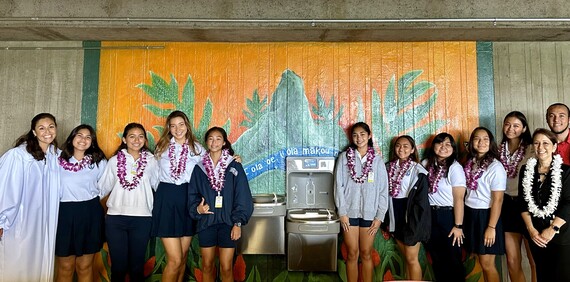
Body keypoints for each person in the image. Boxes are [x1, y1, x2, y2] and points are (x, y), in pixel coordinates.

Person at [0, 113, 61, 282]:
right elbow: (5, 189)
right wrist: (1, 221)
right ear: (34, 132)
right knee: (18, 265)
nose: (47, 131)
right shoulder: (19, 156)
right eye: (41, 128)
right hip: (20, 223)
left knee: (40, 266)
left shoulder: (56, 156)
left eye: (51, 127)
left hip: (46, 223)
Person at [188, 127, 253, 282]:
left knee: (226, 266)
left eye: (218, 138)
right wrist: (197, 208)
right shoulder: (199, 168)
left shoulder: (234, 165)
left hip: (228, 223)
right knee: (207, 265)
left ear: (224, 142)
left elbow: (242, 196)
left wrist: (237, 222)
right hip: (207, 222)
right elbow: (192, 194)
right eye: (210, 138)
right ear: (206, 142)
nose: (214, 142)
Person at [98, 123, 159, 282]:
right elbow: (103, 188)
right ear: (124, 139)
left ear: (145, 140)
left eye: (140, 136)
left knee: (137, 266)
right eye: (132, 136)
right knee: (118, 266)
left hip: (142, 218)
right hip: (116, 219)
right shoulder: (114, 161)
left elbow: (159, 186)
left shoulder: (152, 161)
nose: (136, 140)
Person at [152, 111, 206, 282]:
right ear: (169, 128)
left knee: (182, 257)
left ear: (187, 125)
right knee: (174, 260)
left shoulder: (198, 149)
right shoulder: (161, 147)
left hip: (188, 200)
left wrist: (234, 159)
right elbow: (153, 176)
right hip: (166, 198)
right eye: (173, 125)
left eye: (181, 124)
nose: (177, 129)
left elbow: (212, 166)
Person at [334, 122, 389, 282]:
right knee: (352, 253)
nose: (359, 138)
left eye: (362, 134)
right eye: (355, 135)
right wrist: (342, 212)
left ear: (369, 135)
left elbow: (383, 190)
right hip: (348, 213)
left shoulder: (377, 161)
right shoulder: (345, 158)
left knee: (366, 253)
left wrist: (379, 217)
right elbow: (338, 186)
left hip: (369, 214)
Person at [55, 124, 107, 282]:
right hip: (64, 213)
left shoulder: (98, 162)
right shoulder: (57, 160)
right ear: (72, 138)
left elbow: (105, 186)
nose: (83, 140)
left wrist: (92, 198)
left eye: (88, 137)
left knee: (84, 267)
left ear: (92, 142)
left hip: (89, 213)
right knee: (66, 266)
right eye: (79, 135)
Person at [519, 128, 570, 282]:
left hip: (560, 235)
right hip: (536, 235)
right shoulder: (526, 170)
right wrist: (531, 230)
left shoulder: (566, 171)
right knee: (542, 275)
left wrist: (552, 229)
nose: (541, 147)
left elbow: (569, 204)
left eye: (546, 143)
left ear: (554, 146)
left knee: (562, 276)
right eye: (537, 143)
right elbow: (523, 202)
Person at [463, 127, 506, 282]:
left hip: (487, 216)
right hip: (471, 213)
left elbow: (498, 200)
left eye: (485, 139)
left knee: (487, 264)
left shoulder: (496, 167)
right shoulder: (471, 162)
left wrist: (491, 227)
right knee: (480, 261)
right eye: (477, 138)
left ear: (491, 142)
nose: (481, 143)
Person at [423, 133, 466, 282]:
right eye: (440, 143)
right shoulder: (426, 164)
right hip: (430, 216)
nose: (443, 147)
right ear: (433, 146)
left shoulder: (455, 168)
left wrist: (458, 225)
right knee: (437, 259)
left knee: (453, 259)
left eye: (448, 144)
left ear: (453, 149)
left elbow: (459, 198)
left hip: (448, 216)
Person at [386, 135, 430, 281]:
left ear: (412, 150)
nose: (401, 149)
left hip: (412, 216)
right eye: (398, 145)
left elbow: (421, 201)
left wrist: (416, 223)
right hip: (395, 214)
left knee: (412, 258)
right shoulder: (388, 167)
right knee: (406, 258)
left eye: (406, 146)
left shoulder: (419, 171)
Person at [498, 111, 536, 282]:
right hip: (506, 205)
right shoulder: (497, 150)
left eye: (516, 125)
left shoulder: (532, 149)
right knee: (512, 261)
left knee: (534, 260)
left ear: (524, 128)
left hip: (527, 205)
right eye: (507, 124)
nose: (510, 128)